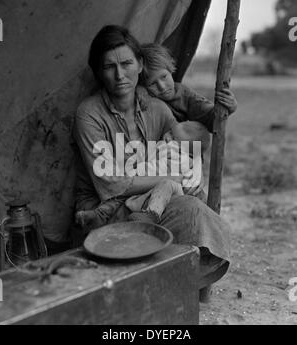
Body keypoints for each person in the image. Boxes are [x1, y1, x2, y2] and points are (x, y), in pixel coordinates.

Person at [73, 25, 231, 301]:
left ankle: (167, 284)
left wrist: (193, 172)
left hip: (149, 204)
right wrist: (168, 180)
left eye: (126, 63)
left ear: (140, 64)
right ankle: (151, 286)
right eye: (109, 67)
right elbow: (109, 182)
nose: (120, 75)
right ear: (99, 72)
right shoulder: (89, 114)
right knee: (186, 206)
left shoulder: (157, 108)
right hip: (106, 209)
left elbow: (185, 144)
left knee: (196, 206)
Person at [140, 43, 237, 132]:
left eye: (164, 77)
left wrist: (228, 107)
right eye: (152, 84)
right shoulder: (143, 97)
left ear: (170, 70)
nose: (162, 87)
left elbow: (208, 116)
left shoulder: (185, 95)